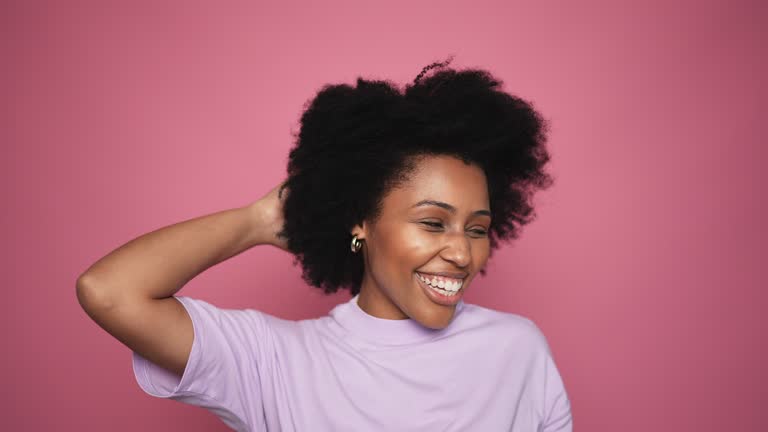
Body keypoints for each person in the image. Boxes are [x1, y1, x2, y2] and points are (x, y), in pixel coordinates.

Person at [76, 58, 573, 431]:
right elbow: (110, 291)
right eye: (433, 222)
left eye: (477, 229)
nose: (462, 254)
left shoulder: (517, 351)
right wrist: (256, 221)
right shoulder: (275, 362)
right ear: (362, 223)